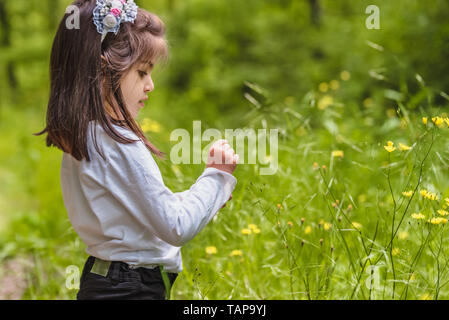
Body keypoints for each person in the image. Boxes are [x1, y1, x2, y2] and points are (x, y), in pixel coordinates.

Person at [34, 0, 238, 300]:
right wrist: (216, 178)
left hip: (102, 279)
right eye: (142, 72)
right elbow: (175, 225)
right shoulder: (118, 141)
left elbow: (138, 214)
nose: (150, 85)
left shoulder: (86, 136)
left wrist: (206, 199)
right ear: (104, 71)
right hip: (132, 287)